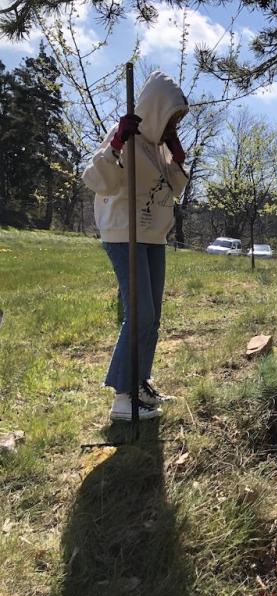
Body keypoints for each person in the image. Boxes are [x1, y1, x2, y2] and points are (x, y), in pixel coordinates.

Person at [82, 71, 190, 421]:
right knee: (139, 314)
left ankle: (140, 380)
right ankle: (123, 397)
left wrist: (177, 159)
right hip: (124, 235)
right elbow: (97, 181)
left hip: (152, 237)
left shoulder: (158, 149)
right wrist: (116, 145)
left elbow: (174, 190)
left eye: (177, 119)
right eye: (170, 117)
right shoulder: (124, 134)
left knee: (152, 317)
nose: (173, 124)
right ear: (156, 109)